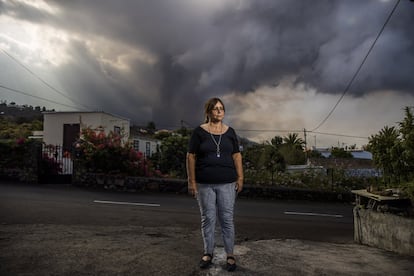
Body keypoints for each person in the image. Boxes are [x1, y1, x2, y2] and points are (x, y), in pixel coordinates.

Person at [186, 97, 243, 272]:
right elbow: (190, 156)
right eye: (215, 108)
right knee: (208, 219)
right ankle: (208, 253)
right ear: (209, 112)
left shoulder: (230, 132)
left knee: (226, 219)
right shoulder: (199, 132)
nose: (219, 111)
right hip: (204, 184)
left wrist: (240, 177)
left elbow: (236, 155)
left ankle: (230, 254)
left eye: (221, 108)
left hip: (227, 183)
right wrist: (192, 181)